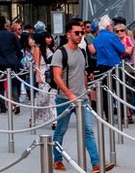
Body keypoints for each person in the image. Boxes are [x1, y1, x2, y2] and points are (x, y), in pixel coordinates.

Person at [50, 22, 99, 171]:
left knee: (88, 130)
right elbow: (57, 77)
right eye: (77, 33)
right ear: (68, 34)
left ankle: (96, 164)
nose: (80, 36)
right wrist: (69, 94)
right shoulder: (60, 53)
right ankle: (57, 159)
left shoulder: (82, 52)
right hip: (65, 99)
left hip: (82, 98)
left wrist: (86, 93)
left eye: (82, 33)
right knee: (61, 129)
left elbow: (83, 72)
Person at [0, 16, 23, 113]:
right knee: (13, 84)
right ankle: (16, 104)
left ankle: (3, 107)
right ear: (5, 23)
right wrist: (17, 59)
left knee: (0, 85)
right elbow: (18, 48)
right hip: (11, 61)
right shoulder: (11, 35)